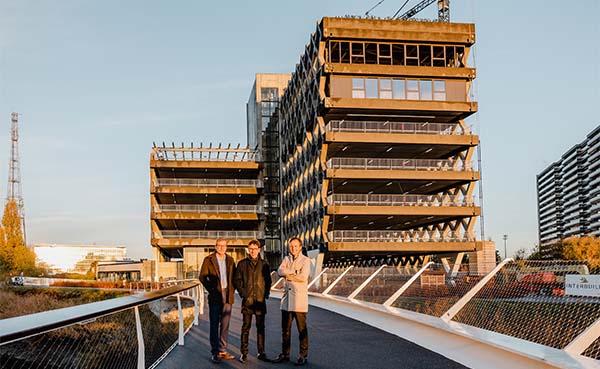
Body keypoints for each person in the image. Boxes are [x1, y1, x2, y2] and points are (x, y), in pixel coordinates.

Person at [274, 237, 311, 366]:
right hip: (286, 300)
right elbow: (279, 271)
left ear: (300, 247)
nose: (293, 248)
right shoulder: (286, 259)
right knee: (286, 330)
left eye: (296, 246)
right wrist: (294, 272)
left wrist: (288, 274)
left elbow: (303, 277)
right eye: (291, 246)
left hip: (299, 300)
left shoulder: (306, 260)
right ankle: (285, 354)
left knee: (302, 330)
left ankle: (303, 355)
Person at [234, 239, 272, 363]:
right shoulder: (242, 264)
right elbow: (237, 280)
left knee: (261, 328)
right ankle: (244, 353)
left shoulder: (265, 264)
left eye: (255, 249)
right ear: (248, 250)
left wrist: (265, 294)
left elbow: (268, 281)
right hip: (248, 301)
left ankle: (261, 352)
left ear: (259, 249)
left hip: (260, 301)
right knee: (246, 328)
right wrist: (244, 294)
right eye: (250, 249)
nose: (253, 251)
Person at [200, 238, 236, 363]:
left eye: (224, 245)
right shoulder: (208, 260)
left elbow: (234, 277)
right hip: (215, 296)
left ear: (226, 247)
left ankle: (222, 350)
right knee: (214, 324)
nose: (221, 248)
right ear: (215, 247)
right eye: (219, 245)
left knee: (225, 325)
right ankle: (215, 352)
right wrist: (212, 289)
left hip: (227, 296)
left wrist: (232, 290)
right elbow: (202, 277)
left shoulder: (230, 260)